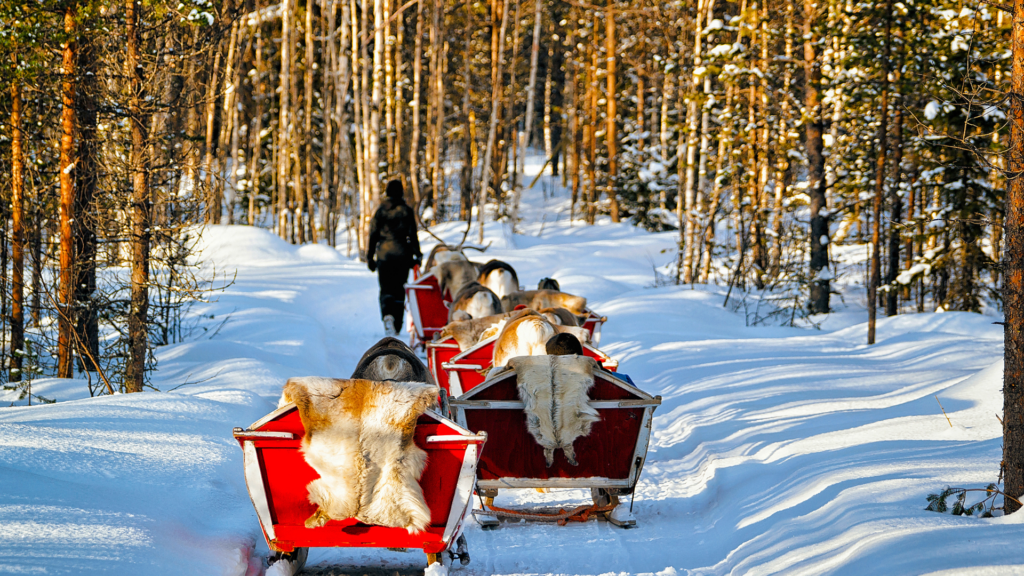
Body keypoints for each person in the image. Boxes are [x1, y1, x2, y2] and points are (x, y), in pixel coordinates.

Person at [367, 180, 422, 337]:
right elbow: (412, 235)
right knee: (399, 290)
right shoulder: (406, 211)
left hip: (384, 255)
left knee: (386, 289)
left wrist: (370, 257)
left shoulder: (380, 211)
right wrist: (417, 255)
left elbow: (373, 234)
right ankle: (397, 325)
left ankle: (387, 316)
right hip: (402, 255)